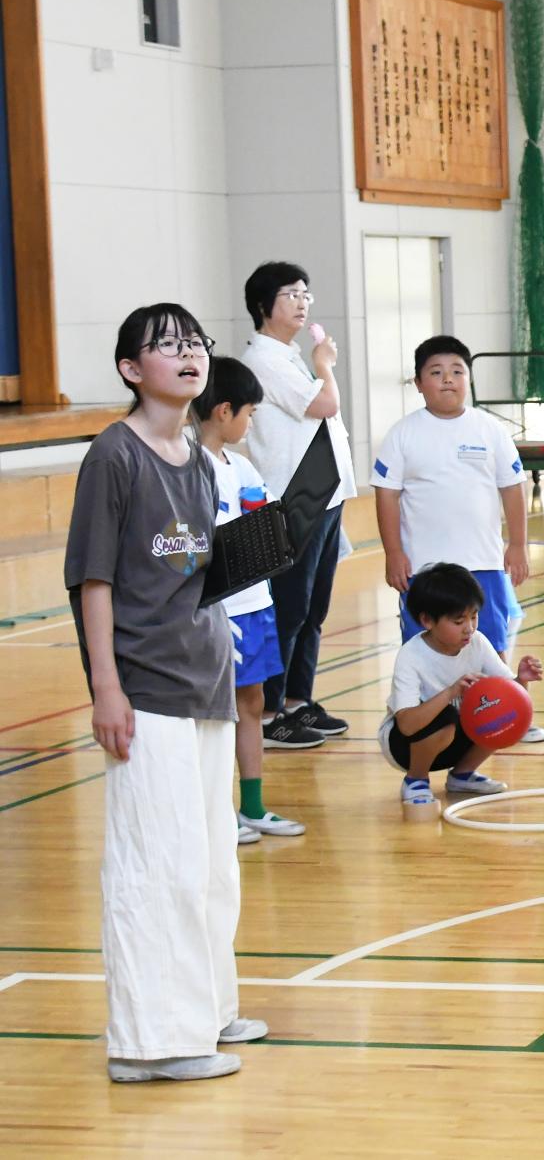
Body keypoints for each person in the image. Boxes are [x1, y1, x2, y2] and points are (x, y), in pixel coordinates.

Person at [67, 303, 264, 1083]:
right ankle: (149, 1043)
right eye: (167, 346)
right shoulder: (113, 458)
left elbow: (193, 568)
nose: (187, 356)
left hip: (207, 677)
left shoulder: (196, 454)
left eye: (194, 345)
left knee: (213, 862)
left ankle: (207, 1008)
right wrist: (105, 688)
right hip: (145, 687)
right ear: (129, 369)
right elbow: (95, 579)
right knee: (156, 865)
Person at [370, 335, 544, 743]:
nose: (447, 380)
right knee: (422, 649)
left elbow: (512, 486)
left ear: (468, 379)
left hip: (482, 563)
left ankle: (506, 712)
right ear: (418, 383)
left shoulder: (490, 429)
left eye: (457, 371)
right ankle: (422, 723)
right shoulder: (402, 434)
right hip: (424, 569)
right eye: (435, 372)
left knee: (492, 645)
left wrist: (517, 544)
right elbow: (386, 494)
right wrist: (393, 552)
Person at [193, 356, 313, 844]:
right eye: (250, 412)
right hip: (220, 610)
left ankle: (254, 806)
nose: (252, 421)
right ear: (224, 411)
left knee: (253, 702)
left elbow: (259, 519)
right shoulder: (190, 466)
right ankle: (215, 812)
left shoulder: (239, 464)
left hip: (255, 603)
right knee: (217, 712)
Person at [239, 262, 354, 742]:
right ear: (264, 304)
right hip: (293, 496)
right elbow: (324, 405)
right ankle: (268, 715)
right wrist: (325, 364)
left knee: (313, 609)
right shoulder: (264, 358)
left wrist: (317, 364)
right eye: (291, 294)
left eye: (306, 293)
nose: (303, 302)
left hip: (324, 492)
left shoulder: (288, 355)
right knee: (289, 608)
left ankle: (296, 700)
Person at [381, 564, 543, 811]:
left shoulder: (477, 642)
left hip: (453, 735)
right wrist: (450, 693)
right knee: (445, 717)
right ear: (427, 620)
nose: (469, 627)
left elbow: (512, 700)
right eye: (459, 620)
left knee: (500, 711)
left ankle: (462, 775)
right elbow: (406, 723)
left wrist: (522, 681)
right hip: (405, 745)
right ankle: (415, 780)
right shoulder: (411, 655)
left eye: (474, 616)